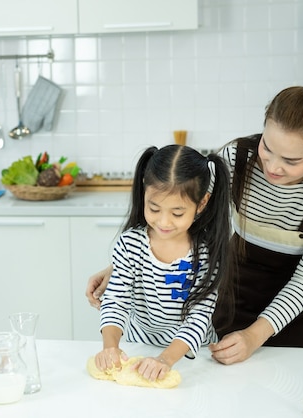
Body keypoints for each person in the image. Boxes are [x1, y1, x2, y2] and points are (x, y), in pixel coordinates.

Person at [87, 83, 303, 365]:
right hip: (239, 290)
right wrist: (124, 265)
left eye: (291, 160)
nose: (272, 167)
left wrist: (254, 336)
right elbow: (185, 210)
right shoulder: (238, 157)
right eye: (267, 148)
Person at [94, 144, 233, 381]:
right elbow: (116, 301)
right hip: (140, 347)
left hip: (193, 355)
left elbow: (199, 317)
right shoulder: (130, 245)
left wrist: (165, 359)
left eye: (177, 213)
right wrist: (110, 346)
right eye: (154, 208)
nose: (164, 222)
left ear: (201, 203)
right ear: (144, 194)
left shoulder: (207, 253)